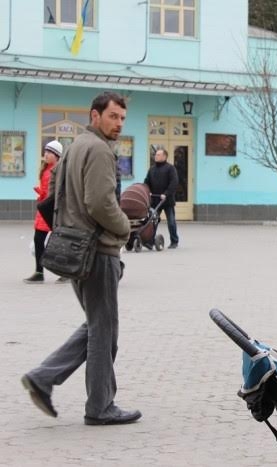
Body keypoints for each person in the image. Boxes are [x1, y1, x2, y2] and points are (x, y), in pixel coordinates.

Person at [21, 91, 141, 426]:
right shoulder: (100, 150)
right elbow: (100, 203)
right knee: (103, 331)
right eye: (113, 116)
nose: (118, 124)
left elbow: (54, 197)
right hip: (97, 251)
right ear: (95, 116)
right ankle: (99, 406)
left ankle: (44, 378)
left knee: (96, 325)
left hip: (72, 249)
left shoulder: (73, 148)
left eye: (122, 118)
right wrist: (125, 229)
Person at [24, 140, 64, 284]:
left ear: (57, 156)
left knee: (54, 243)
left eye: (49, 152)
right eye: (45, 152)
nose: (46, 155)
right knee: (40, 241)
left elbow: (55, 193)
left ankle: (46, 272)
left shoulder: (58, 170)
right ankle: (39, 271)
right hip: (44, 210)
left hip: (51, 210)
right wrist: (41, 192)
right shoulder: (46, 169)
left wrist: (41, 193)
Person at [144, 148, 179, 248]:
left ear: (164, 156)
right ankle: (150, 241)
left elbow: (174, 183)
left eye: (158, 155)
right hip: (155, 201)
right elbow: (147, 181)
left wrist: (166, 194)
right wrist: (147, 191)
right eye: (156, 154)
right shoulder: (152, 169)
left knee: (171, 222)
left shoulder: (170, 168)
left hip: (167, 200)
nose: (156, 156)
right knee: (152, 221)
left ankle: (174, 241)